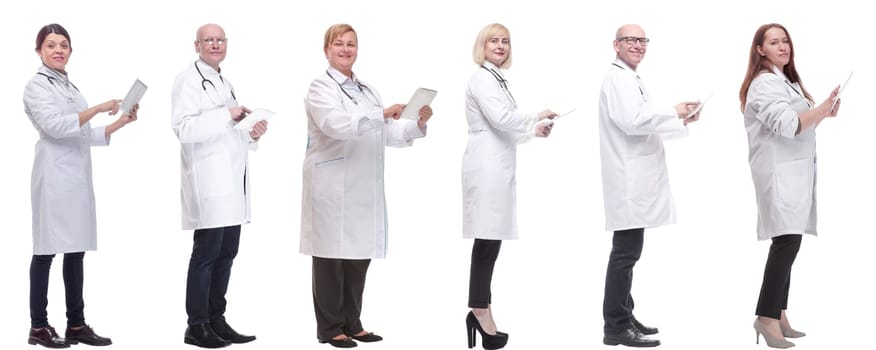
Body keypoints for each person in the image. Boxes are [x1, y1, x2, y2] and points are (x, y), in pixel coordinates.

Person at [300, 23, 433, 348]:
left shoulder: (368, 91)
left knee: (358, 257)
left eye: (351, 44)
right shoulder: (320, 88)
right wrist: (381, 114)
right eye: (339, 44)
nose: (346, 50)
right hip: (331, 186)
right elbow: (335, 124)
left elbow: (384, 132)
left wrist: (416, 124)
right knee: (331, 258)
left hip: (361, 187)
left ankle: (352, 322)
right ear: (327, 50)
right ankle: (330, 328)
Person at [23, 23, 138, 349]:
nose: (58, 50)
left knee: (75, 250)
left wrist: (119, 122)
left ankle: (75, 324)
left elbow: (82, 133)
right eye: (50, 45)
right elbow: (56, 127)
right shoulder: (36, 87)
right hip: (54, 176)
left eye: (63, 45)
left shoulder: (70, 88)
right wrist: (100, 107)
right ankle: (39, 326)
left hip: (76, 177)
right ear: (39, 51)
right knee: (45, 250)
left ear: (70, 51)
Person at [598, 24, 700, 348]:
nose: (638, 45)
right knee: (625, 253)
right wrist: (674, 111)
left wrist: (680, 119)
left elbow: (643, 119)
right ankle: (615, 325)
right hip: (628, 181)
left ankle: (624, 315)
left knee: (630, 252)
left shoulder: (630, 78)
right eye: (631, 40)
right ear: (616, 45)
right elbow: (633, 121)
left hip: (635, 180)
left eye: (643, 40)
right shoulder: (617, 79)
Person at [739, 23, 840, 349]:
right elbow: (787, 125)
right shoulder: (765, 84)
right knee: (786, 244)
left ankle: (778, 314)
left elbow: (799, 121)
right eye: (774, 42)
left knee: (789, 242)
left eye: (785, 41)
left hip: (791, 173)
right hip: (779, 175)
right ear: (760, 50)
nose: (783, 46)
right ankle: (765, 317)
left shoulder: (784, 81)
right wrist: (821, 109)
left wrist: (824, 113)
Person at [171, 23, 267, 349]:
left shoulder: (224, 82)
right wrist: (227, 113)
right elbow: (183, 128)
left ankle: (216, 319)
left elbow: (229, 131)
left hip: (232, 182)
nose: (215, 44)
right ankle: (196, 325)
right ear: (196, 45)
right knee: (207, 253)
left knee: (227, 252)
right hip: (209, 182)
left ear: (227, 44)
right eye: (208, 40)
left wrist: (250, 132)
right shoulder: (187, 80)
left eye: (220, 40)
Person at [461, 23, 556, 350]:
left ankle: (481, 307)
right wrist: (535, 115)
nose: (500, 46)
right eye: (493, 41)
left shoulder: (498, 80)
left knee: (492, 239)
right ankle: (479, 308)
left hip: (497, 163)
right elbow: (502, 119)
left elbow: (506, 127)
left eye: (505, 41)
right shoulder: (482, 79)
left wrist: (534, 131)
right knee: (487, 240)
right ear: (482, 46)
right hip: (486, 166)